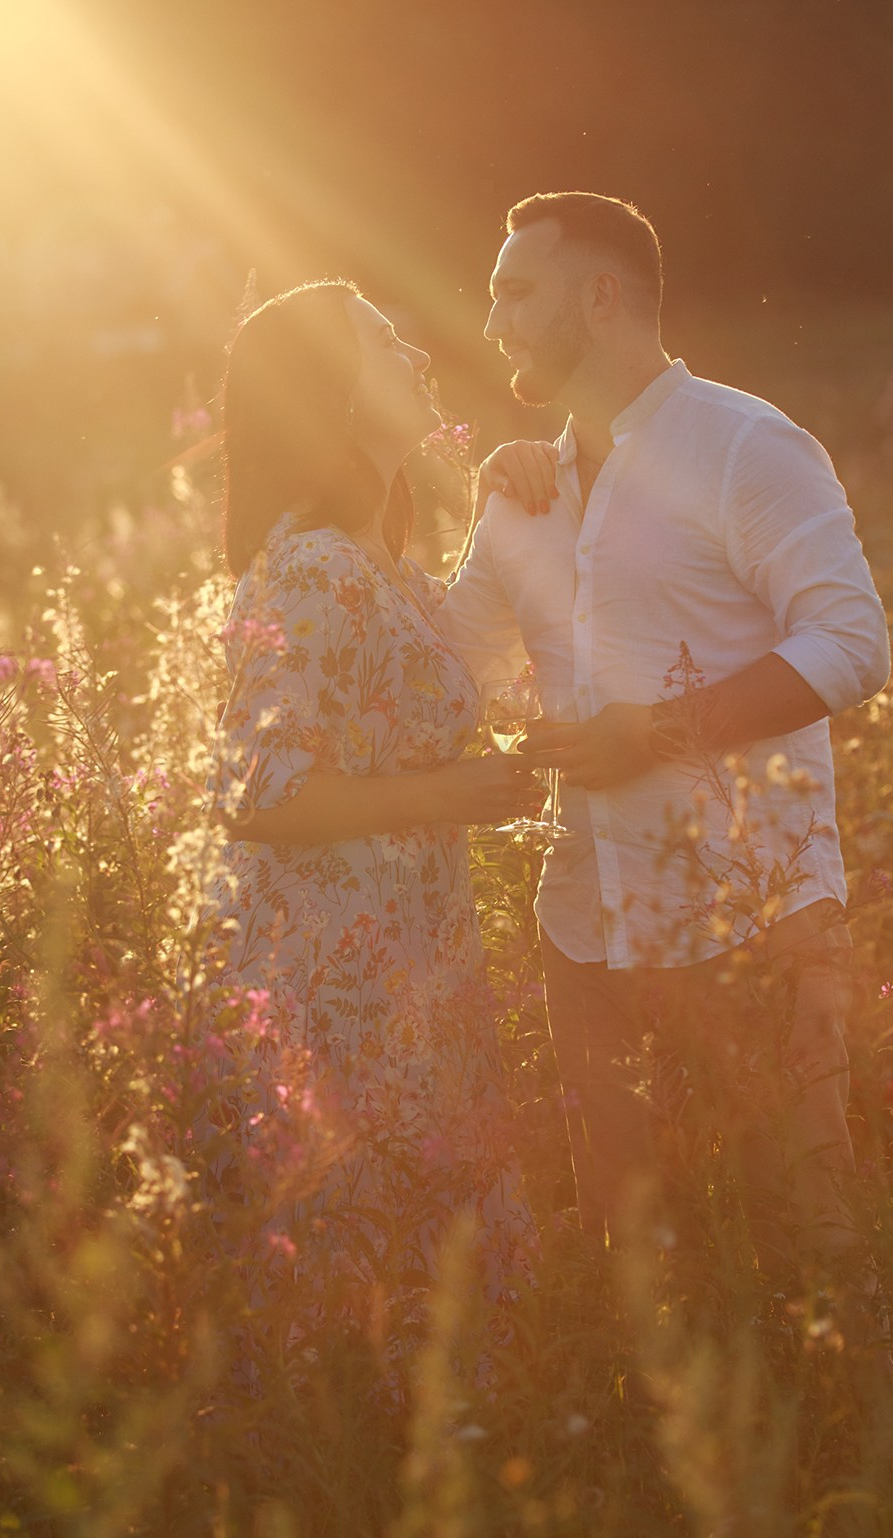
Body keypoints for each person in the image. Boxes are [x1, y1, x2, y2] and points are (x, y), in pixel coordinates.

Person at [438, 192, 891, 1304]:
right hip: (586, 928)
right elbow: (448, 666)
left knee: (809, 1241)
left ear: (600, 297)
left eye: (514, 290)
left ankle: (866, 1458)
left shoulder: (747, 444)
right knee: (634, 1260)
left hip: (755, 914)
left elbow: (851, 641)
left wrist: (656, 734)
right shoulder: (519, 497)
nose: (490, 318)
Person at [209, 279, 546, 1330]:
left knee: (422, 1287)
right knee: (360, 1297)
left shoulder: (380, 565)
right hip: (335, 988)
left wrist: (518, 488)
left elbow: (466, 670)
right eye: (388, 345)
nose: (418, 357)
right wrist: (456, 791)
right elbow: (256, 795)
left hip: (409, 967)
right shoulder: (311, 565)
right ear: (334, 394)